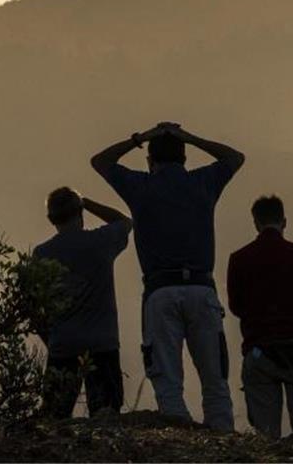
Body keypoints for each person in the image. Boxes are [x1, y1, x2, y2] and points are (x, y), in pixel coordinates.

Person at [92, 122, 244, 430]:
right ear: (185, 159)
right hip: (201, 289)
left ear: (150, 161)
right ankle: (223, 438)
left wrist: (140, 137)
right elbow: (234, 158)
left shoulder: (140, 186)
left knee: (168, 382)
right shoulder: (203, 181)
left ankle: (179, 441)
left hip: (160, 292)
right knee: (215, 380)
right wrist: (191, 136)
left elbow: (100, 161)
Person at [227, 195, 293, 440]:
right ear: (284, 221)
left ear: (255, 223)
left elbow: (237, 307)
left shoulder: (239, 259)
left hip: (260, 351)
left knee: (266, 437)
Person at [32, 187, 132, 418]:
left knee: (54, 416)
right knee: (105, 413)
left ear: (51, 219)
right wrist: (86, 201)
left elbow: (32, 307)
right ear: (80, 212)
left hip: (63, 343)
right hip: (101, 343)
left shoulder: (42, 254)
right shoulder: (101, 241)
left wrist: (52, 339)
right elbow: (124, 221)